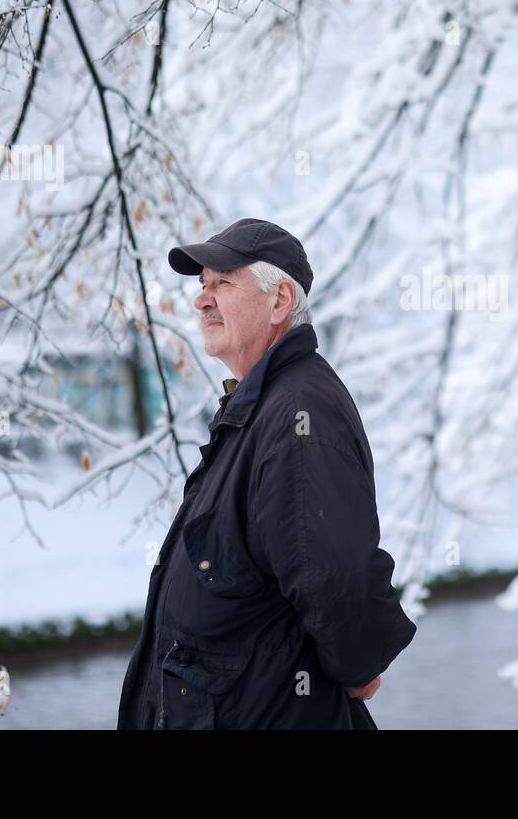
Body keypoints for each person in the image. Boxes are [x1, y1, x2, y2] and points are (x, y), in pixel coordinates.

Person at [116, 218, 416, 729]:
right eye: (202, 285)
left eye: (223, 284)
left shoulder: (300, 412)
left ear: (279, 302)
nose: (202, 300)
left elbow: (337, 577)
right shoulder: (261, 408)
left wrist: (359, 659)